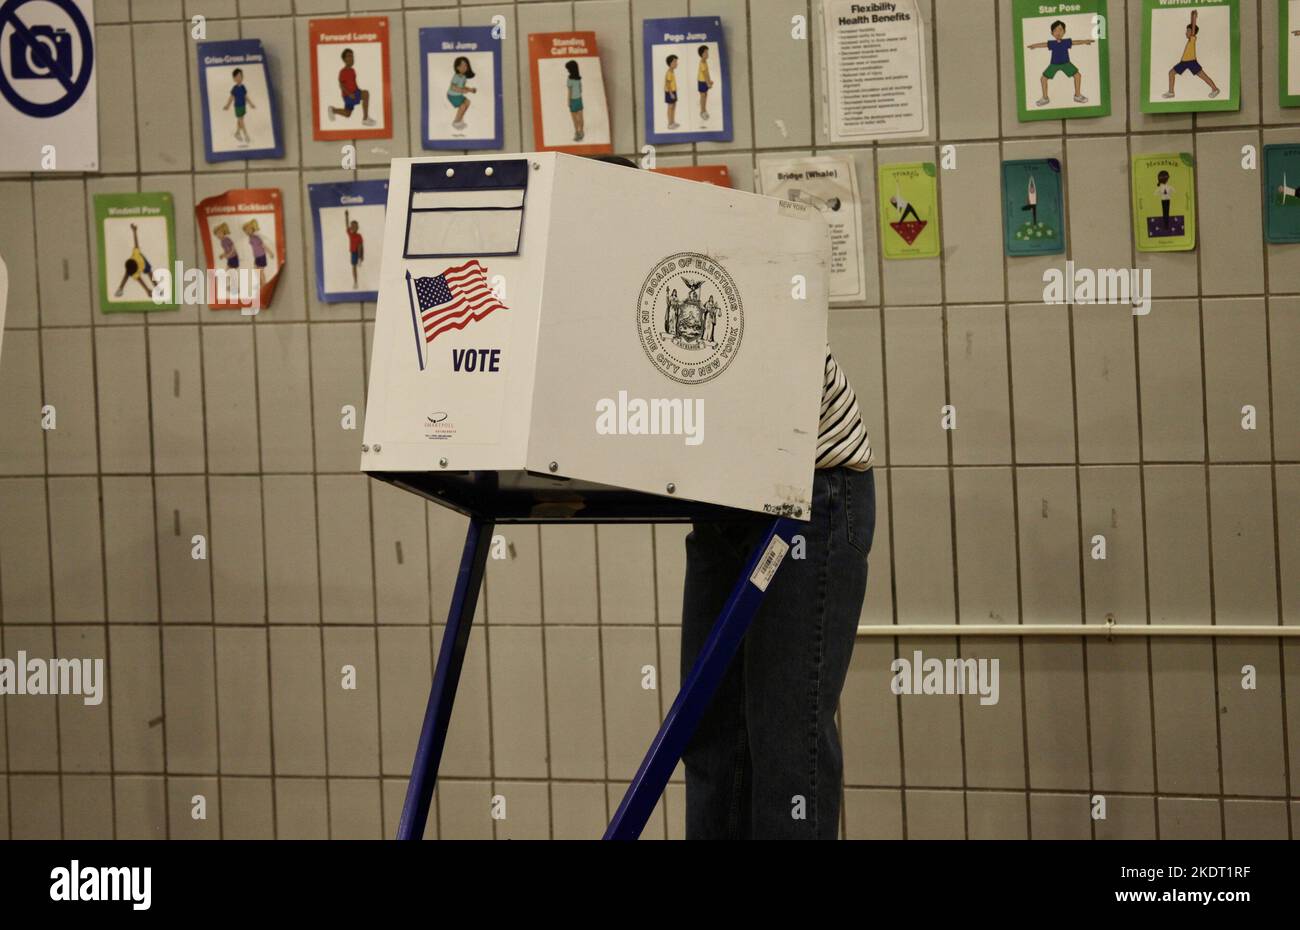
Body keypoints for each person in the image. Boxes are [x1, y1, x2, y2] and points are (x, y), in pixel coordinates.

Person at [588, 154, 877, 840]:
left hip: (811, 492)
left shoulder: (712, 265)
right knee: (711, 739)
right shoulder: (610, 282)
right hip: (728, 501)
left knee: (786, 749)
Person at [1027, 19, 1093, 106]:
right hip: (1054, 64)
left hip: (1066, 63)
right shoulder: (1052, 43)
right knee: (1043, 78)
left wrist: (1085, 41)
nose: (1058, 32)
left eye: (1060, 29)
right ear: (1052, 33)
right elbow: (1043, 44)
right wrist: (1034, 46)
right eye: (1055, 30)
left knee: (1077, 75)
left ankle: (1077, 96)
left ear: (1064, 32)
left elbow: (1075, 42)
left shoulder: (1066, 42)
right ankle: (1045, 98)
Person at [1162, 9, 1220, 99]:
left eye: (1188, 31)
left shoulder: (1192, 38)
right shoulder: (1190, 40)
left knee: (1203, 76)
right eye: (1186, 31)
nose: (1186, 32)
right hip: (1184, 62)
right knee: (1171, 73)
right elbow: (1191, 26)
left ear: (1192, 33)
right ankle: (1171, 92)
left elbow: (1193, 28)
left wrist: (1194, 17)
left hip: (1191, 62)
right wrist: (1191, 15)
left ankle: (1215, 89)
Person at [329, 47, 376, 125]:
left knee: (347, 114)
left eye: (352, 56)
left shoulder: (352, 70)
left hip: (355, 92)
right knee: (366, 94)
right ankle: (365, 119)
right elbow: (341, 85)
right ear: (344, 59)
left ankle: (333, 110)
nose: (351, 58)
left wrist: (359, 90)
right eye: (349, 56)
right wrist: (349, 94)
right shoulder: (343, 72)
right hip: (348, 96)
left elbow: (354, 83)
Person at [113, 223, 157, 298]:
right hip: (134, 262)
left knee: (149, 273)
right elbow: (136, 243)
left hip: (143, 262)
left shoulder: (140, 260)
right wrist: (134, 231)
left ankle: (157, 286)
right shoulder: (135, 254)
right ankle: (121, 288)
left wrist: (134, 231)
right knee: (127, 274)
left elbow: (142, 279)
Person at [223, 67, 254, 146]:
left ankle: (237, 133)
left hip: (243, 106)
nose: (239, 78)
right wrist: (227, 105)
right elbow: (231, 97)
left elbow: (245, 96)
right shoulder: (235, 88)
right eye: (237, 76)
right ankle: (246, 134)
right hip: (238, 107)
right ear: (234, 78)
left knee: (240, 120)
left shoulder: (243, 87)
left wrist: (250, 104)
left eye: (241, 76)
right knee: (241, 121)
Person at [447, 56, 476, 130]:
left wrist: (470, 89)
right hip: (452, 95)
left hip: (458, 95)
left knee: (468, 102)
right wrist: (462, 91)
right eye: (461, 66)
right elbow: (453, 87)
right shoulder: (456, 76)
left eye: (465, 65)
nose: (463, 67)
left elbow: (463, 86)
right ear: (457, 67)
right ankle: (456, 122)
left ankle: (460, 119)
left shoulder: (464, 77)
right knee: (462, 106)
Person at [243, 219, 273, 292]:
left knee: (261, 271)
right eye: (246, 230)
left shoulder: (256, 237)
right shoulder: (250, 238)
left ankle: (264, 286)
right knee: (256, 270)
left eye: (249, 229)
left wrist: (270, 252)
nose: (248, 231)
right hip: (257, 257)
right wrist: (254, 259)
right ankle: (261, 284)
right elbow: (254, 249)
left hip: (261, 256)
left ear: (253, 229)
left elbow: (263, 245)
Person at [564, 60, 585, 142]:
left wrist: (568, 101)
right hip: (579, 99)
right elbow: (580, 89)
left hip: (572, 100)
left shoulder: (569, 79)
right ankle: (582, 131)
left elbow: (569, 91)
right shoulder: (579, 79)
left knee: (574, 118)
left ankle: (577, 132)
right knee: (580, 117)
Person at [346, 210, 364, 288]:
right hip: (353, 252)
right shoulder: (351, 234)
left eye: (355, 226)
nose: (354, 228)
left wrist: (361, 256)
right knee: (354, 266)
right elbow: (347, 225)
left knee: (360, 246)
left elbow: (361, 246)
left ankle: (359, 259)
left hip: (358, 252)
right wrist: (346, 216)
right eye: (352, 226)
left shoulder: (359, 235)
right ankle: (355, 282)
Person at [697, 45, 714, 120]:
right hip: (702, 81)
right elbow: (704, 74)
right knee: (703, 96)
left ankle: (704, 110)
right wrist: (708, 83)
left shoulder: (705, 61)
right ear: (702, 54)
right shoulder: (702, 63)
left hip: (705, 81)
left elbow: (707, 73)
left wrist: (709, 81)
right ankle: (702, 111)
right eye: (706, 53)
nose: (707, 54)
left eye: (707, 52)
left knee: (705, 95)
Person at [664, 54, 680, 129]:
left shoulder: (672, 72)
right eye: (674, 62)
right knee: (670, 107)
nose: (676, 63)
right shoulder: (669, 73)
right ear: (670, 63)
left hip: (673, 91)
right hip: (669, 92)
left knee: (674, 106)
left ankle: (673, 122)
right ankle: (670, 123)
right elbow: (667, 84)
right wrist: (670, 94)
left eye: (676, 62)